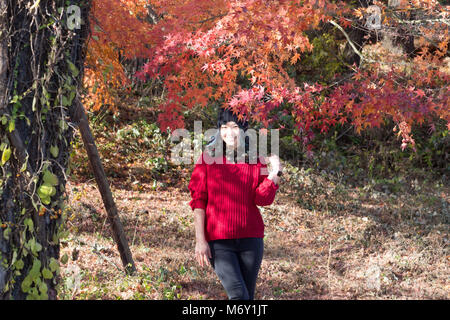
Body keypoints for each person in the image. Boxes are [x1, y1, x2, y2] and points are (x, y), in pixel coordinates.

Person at [188, 106, 283, 300]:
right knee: (239, 296)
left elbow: (262, 199)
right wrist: (200, 240)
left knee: (247, 296)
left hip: (251, 240)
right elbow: (199, 202)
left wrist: (275, 173)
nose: (228, 132)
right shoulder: (208, 159)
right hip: (219, 242)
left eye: (233, 126)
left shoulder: (255, 160)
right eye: (223, 126)